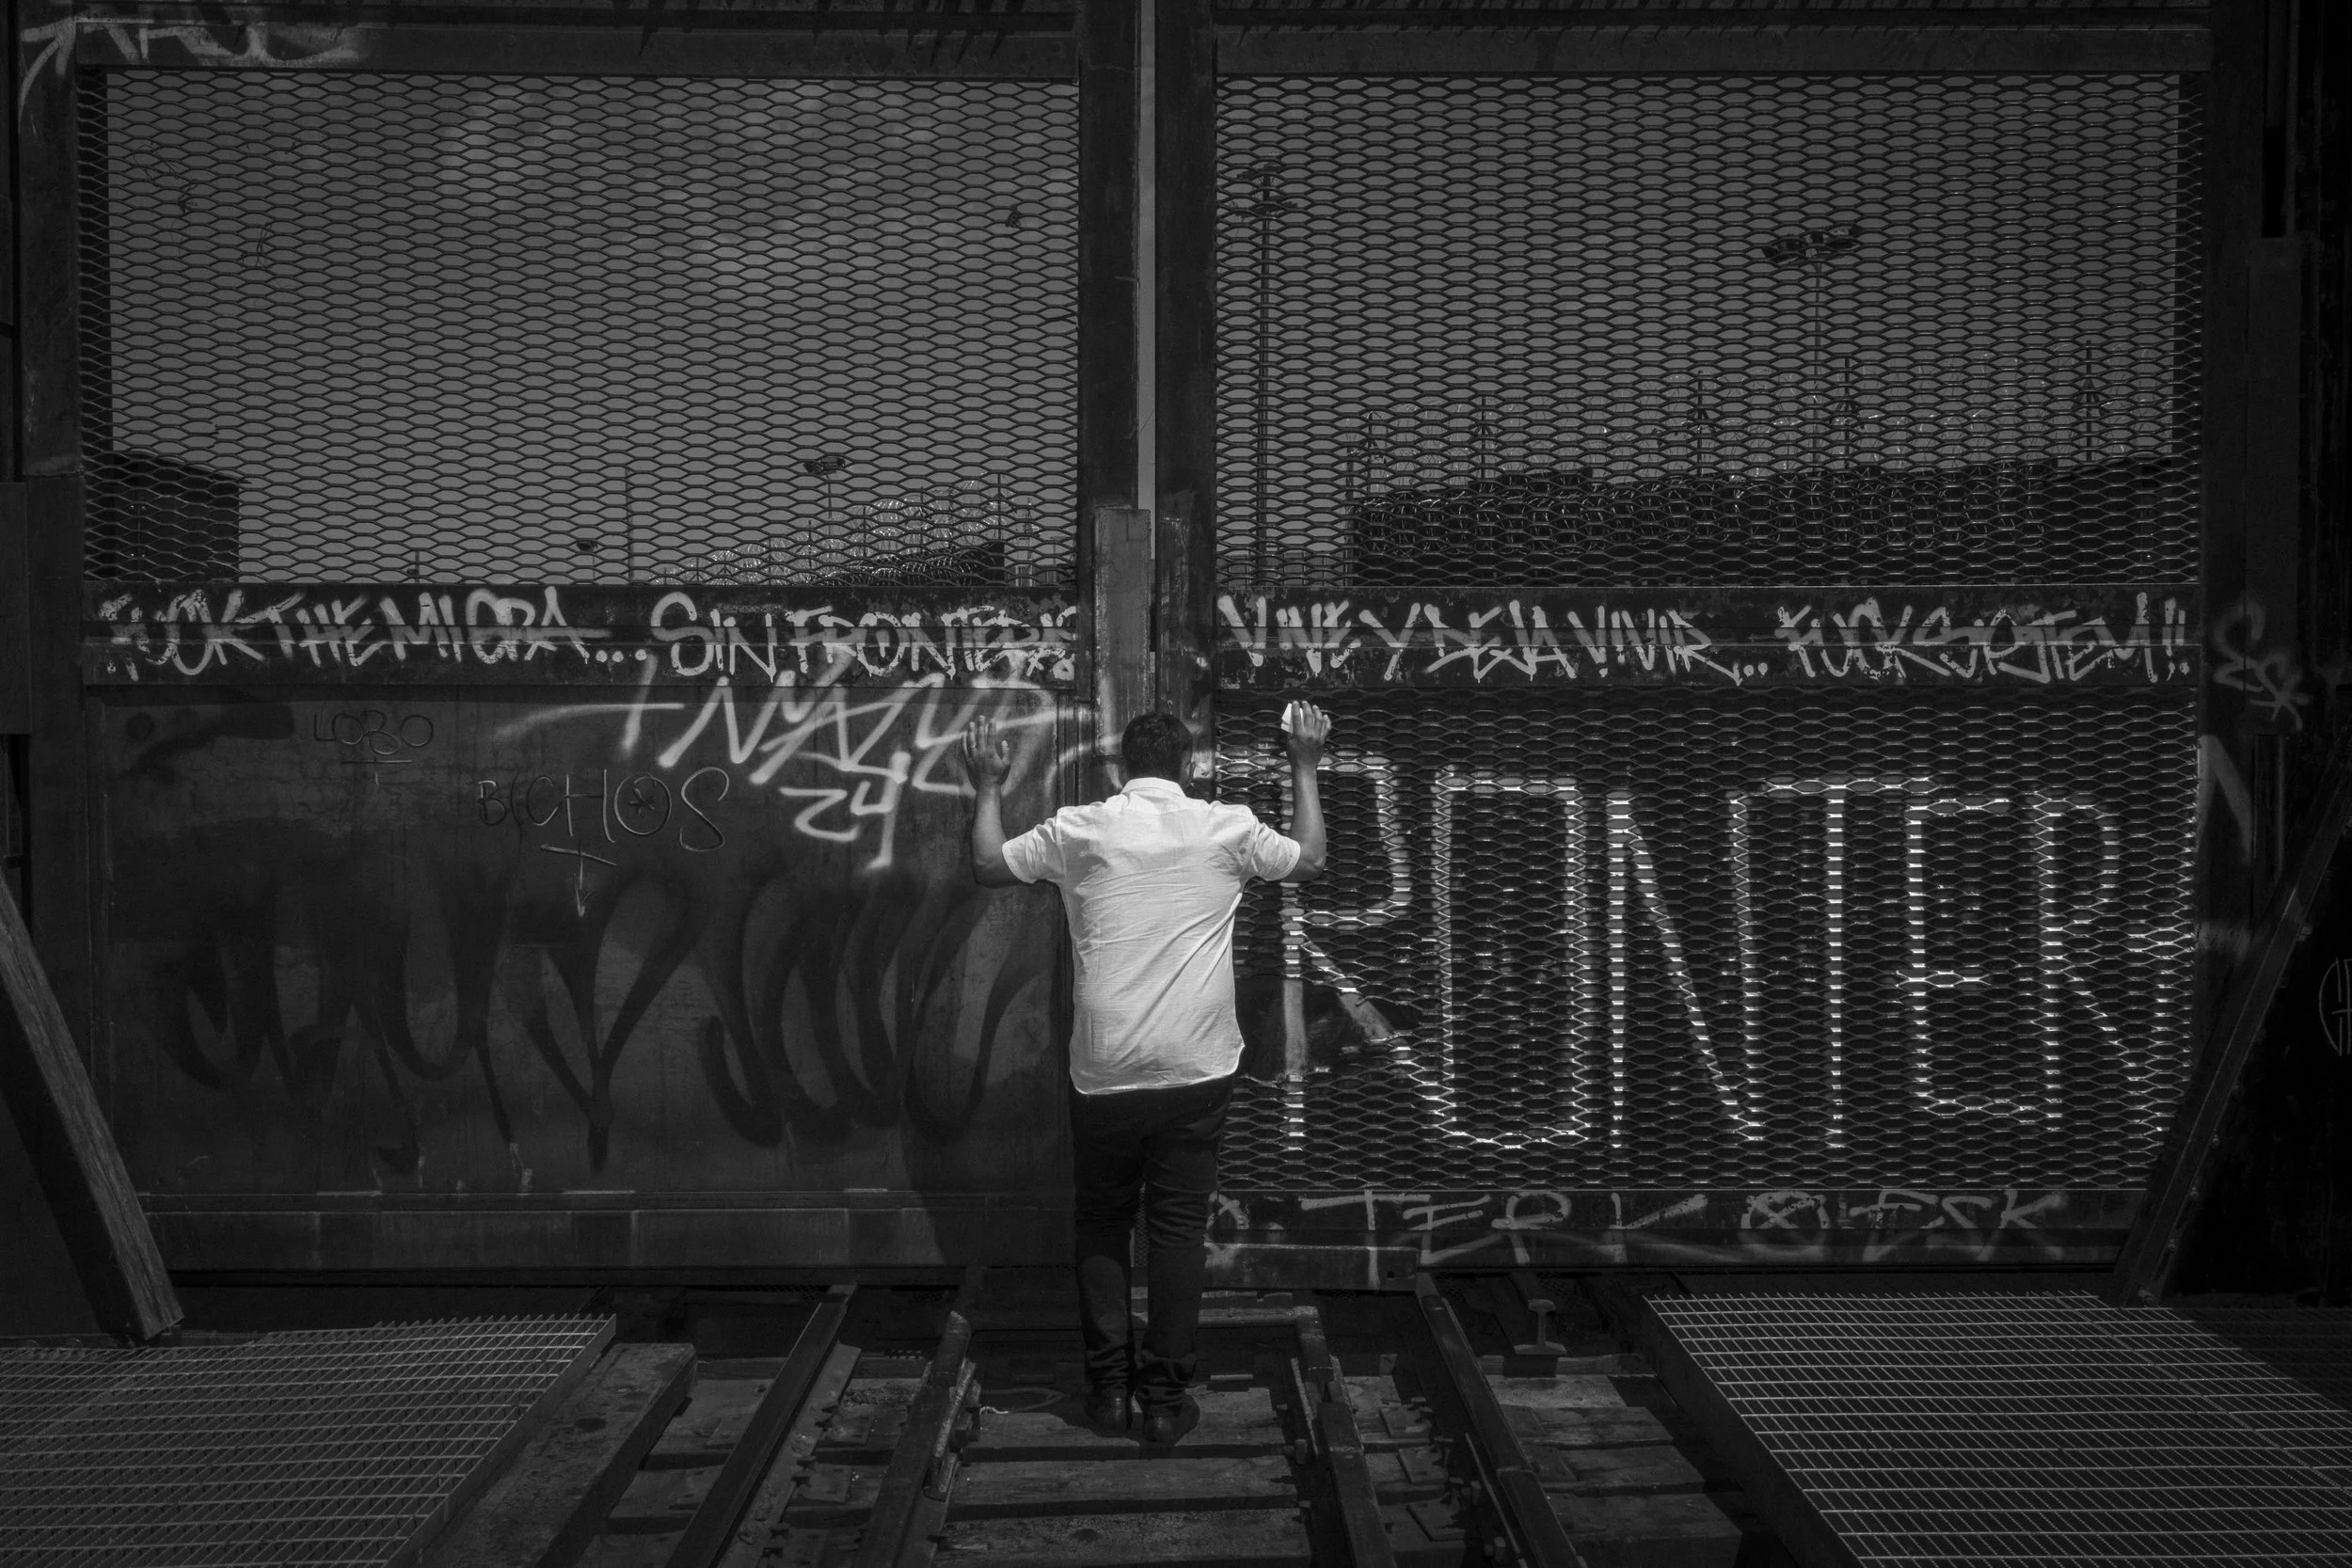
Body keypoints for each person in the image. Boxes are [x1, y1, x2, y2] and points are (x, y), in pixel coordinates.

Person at [961, 705, 1330, 1445]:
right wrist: (1304, 764)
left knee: (1101, 1220)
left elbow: (987, 864)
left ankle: (1106, 1392)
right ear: (1189, 768)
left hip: (1104, 1068)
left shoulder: (1082, 827)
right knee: (1176, 1230)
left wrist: (988, 784)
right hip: (1195, 1070)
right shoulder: (1226, 826)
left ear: (1121, 770)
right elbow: (1311, 857)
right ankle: (1162, 1401)